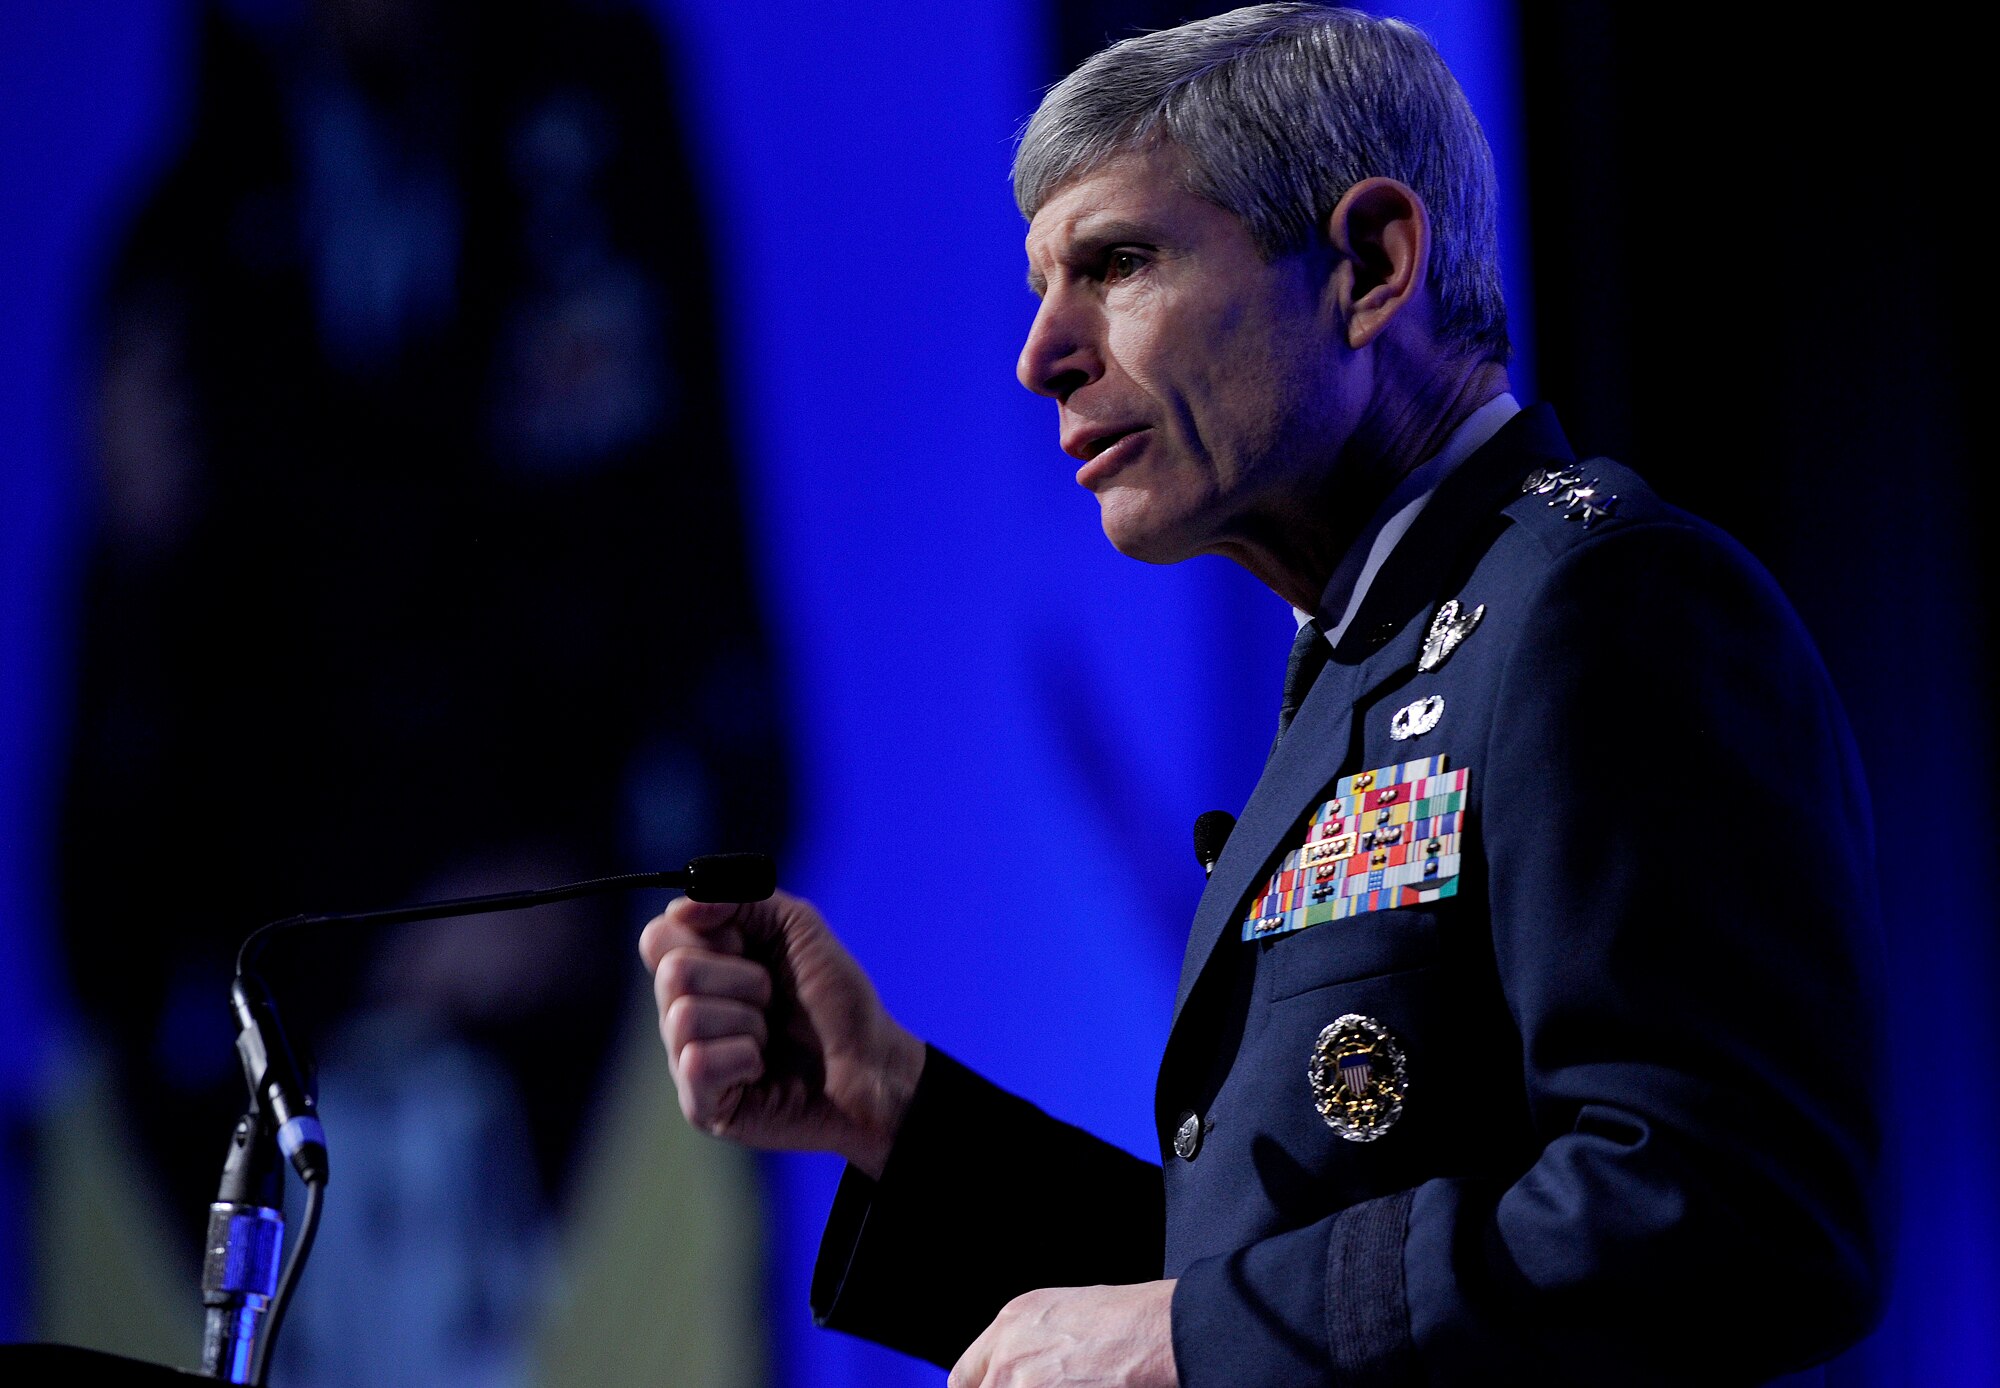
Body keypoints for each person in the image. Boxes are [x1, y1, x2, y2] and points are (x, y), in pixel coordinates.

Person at [639, 6, 1889, 1384]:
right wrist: (896, 1109)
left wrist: (1196, 1339)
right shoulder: (1378, 665)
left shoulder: (1606, 611)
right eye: (1044, 285)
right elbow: (1259, 1285)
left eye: (1115, 263)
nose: (1041, 353)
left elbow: (1735, 1209)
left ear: (1368, 263)